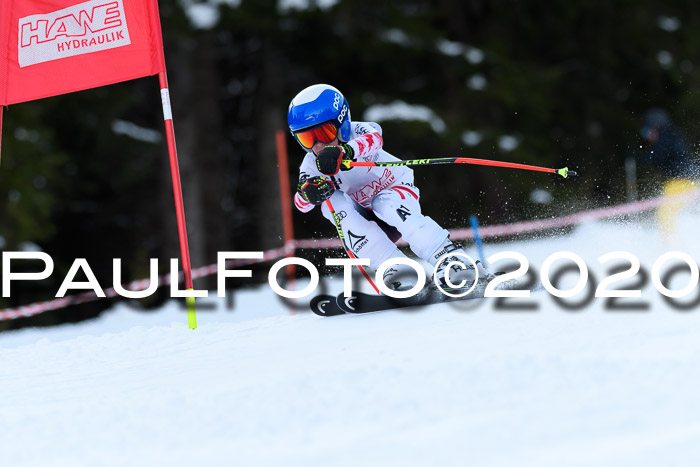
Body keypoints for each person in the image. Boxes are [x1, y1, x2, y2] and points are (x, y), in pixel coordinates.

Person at [287, 83, 489, 291]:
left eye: (324, 133)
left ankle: (451, 259)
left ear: (342, 123)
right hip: (364, 216)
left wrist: (346, 151)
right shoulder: (311, 164)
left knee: (385, 203)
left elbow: (375, 139)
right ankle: (397, 270)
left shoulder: (358, 131)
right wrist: (309, 194)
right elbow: (301, 203)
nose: (318, 145)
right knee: (330, 202)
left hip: (394, 190)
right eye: (306, 138)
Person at [637, 108, 698, 237]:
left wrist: (636, 157)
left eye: (647, 131)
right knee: (679, 213)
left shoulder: (666, 136)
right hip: (688, 181)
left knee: (666, 214)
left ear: (656, 126)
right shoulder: (672, 135)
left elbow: (658, 156)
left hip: (680, 182)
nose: (647, 137)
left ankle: (672, 244)